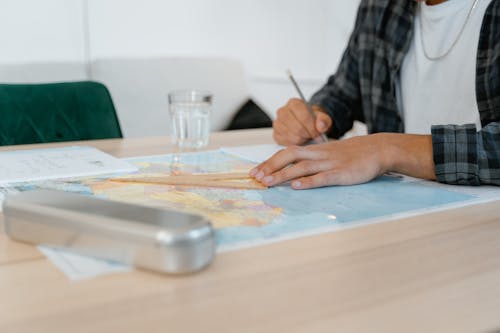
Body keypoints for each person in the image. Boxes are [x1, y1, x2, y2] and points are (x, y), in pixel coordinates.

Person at [251, 0, 499, 189]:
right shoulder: (378, 6)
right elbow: (344, 92)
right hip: (395, 218)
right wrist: (314, 116)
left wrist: (387, 149)